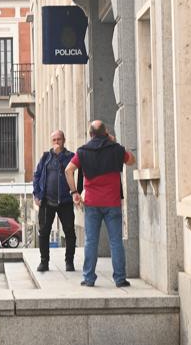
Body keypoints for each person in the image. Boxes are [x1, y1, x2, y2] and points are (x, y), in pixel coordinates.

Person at [65, 120, 136, 287]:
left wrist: (74, 192)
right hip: (112, 203)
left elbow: (68, 170)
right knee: (116, 241)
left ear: (90, 135)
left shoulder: (82, 152)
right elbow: (131, 160)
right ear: (106, 133)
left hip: (91, 203)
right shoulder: (116, 149)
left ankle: (89, 278)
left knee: (91, 241)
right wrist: (113, 141)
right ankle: (119, 279)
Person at [32, 130, 78, 272]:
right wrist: (37, 194)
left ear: (64, 140)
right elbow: (37, 175)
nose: (56, 142)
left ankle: (69, 261)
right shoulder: (46, 157)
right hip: (47, 200)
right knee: (44, 232)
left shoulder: (70, 157)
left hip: (65, 200)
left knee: (69, 232)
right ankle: (44, 261)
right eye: (54, 140)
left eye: (59, 139)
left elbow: (70, 171)